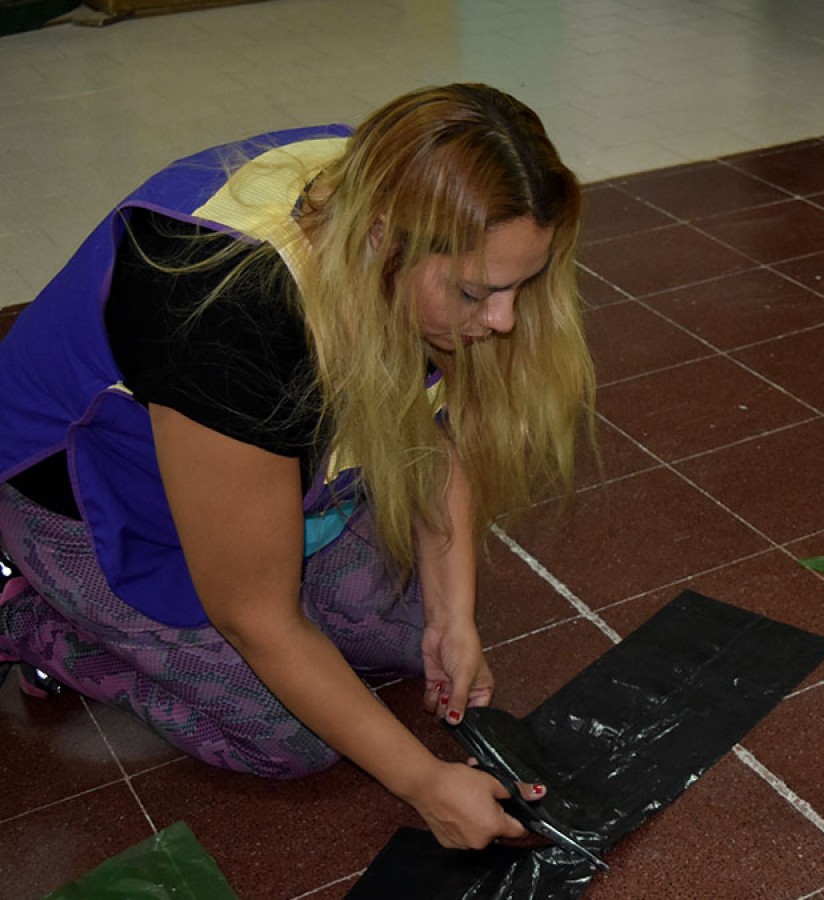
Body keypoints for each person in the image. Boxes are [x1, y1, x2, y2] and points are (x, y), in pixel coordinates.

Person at [0, 83, 594, 850]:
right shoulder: (226, 311)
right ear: (382, 241)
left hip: (257, 462)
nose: (506, 321)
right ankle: (29, 611)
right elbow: (256, 616)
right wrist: (422, 783)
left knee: (412, 632)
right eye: (481, 293)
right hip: (85, 491)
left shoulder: (403, 184)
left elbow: (428, 429)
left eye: (522, 286)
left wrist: (454, 615)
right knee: (287, 737)